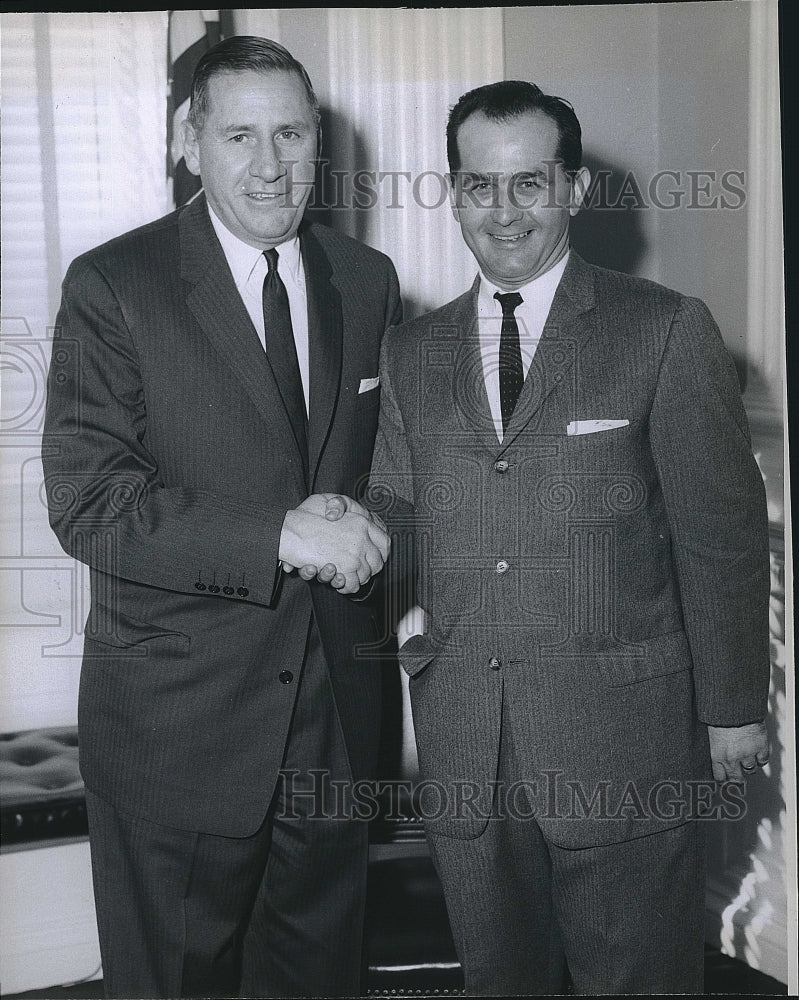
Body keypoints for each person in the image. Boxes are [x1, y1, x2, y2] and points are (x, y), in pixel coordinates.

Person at [368, 80, 771, 995]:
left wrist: (733, 705)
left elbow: (721, 534)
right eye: (479, 186)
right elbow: (394, 503)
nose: (502, 212)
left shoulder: (662, 330)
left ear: (575, 190)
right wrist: (343, 534)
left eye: (529, 184)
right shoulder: (409, 351)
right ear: (453, 192)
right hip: (466, 737)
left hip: (623, 737)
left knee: (639, 979)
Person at [42, 35, 401, 999]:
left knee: (316, 979)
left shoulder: (364, 280)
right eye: (239, 135)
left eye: (290, 133)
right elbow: (90, 505)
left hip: (333, 712)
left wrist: (368, 519)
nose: (270, 163)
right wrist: (282, 534)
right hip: (179, 725)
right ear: (187, 142)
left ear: (317, 143)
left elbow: (382, 469)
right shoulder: (114, 285)